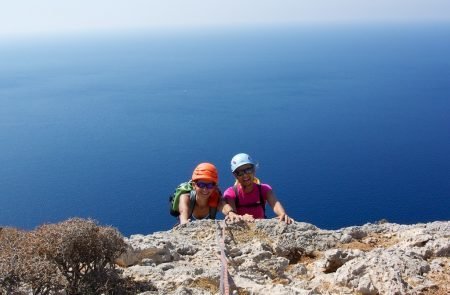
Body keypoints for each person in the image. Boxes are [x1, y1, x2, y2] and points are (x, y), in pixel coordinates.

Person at [222, 153, 293, 224]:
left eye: (248, 170)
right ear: (235, 175)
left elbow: (275, 203)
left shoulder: (264, 189)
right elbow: (233, 215)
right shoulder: (230, 193)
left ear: (254, 170)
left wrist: (282, 213)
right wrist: (243, 217)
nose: (245, 175)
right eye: (240, 172)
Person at [178, 162, 242, 224]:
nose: (205, 189)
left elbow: (224, 206)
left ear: (214, 187)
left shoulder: (216, 200)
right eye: (201, 185)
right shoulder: (186, 197)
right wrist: (184, 221)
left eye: (210, 185)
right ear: (194, 185)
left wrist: (231, 213)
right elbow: (183, 211)